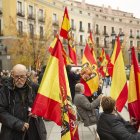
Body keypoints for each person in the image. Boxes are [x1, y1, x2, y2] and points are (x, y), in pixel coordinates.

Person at [0, 64, 47, 140]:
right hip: (12, 133)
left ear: (27, 75)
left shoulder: (34, 87)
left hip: (34, 131)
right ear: (12, 75)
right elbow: (1, 111)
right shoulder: (5, 90)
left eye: (22, 76)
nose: (19, 80)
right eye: (16, 76)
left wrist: (38, 111)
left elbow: (44, 104)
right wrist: (18, 124)